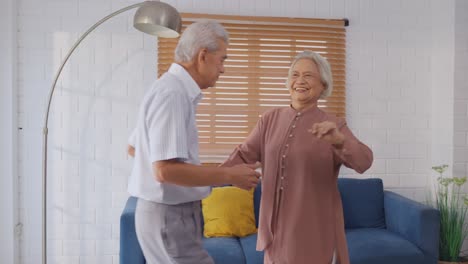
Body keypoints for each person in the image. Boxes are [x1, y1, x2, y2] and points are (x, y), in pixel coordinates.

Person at [126, 20, 261, 264]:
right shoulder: (173, 94)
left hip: (164, 213)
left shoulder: (169, 90)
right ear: (203, 56)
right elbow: (164, 170)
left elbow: (135, 147)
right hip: (169, 214)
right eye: (222, 59)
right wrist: (228, 176)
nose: (223, 69)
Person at [221, 51, 373, 264]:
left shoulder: (333, 125)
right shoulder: (269, 119)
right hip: (274, 232)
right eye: (295, 74)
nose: (300, 81)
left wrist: (340, 141)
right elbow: (243, 154)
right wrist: (207, 176)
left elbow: (364, 161)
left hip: (313, 230)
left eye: (309, 76)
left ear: (323, 84)